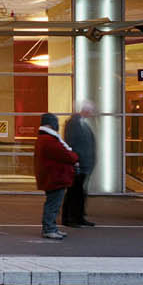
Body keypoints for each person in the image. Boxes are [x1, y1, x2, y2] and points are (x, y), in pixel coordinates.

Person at [34, 111, 77, 240]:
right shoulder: (49, 140)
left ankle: (51, 227)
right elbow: (68, 156)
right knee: (53, 205)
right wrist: (75, 156)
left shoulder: (45, 139)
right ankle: (49, 229)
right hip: (55, 177)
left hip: (52, 177)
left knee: (53, 204)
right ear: (52, 125)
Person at [63, 100, 98, 228]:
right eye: (91, 111)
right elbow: (71, 143)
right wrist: (76, 161)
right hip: (79, 164)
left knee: (79, 192)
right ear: (85, 110)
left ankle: (78, 217)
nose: (92, 113)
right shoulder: (74, 123)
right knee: (74, 191)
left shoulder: (82, 123)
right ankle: (70, 218)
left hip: (84, 164)